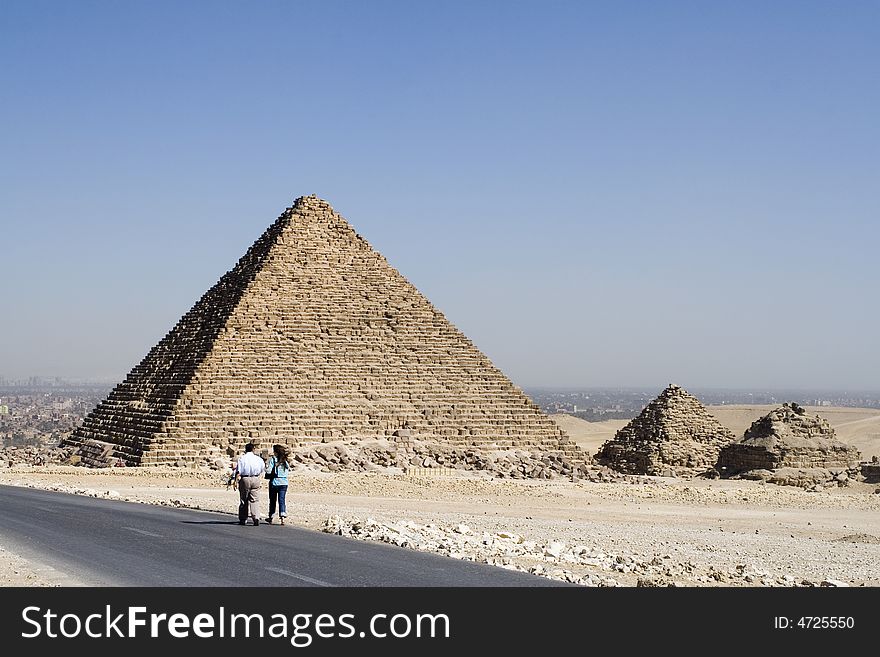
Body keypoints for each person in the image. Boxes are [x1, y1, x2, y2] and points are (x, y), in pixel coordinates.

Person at [233, 442, 265, 525]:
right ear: (253, 449)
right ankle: (256, 517)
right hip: (255, 478)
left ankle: (243, 518)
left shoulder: (242, 459)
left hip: (245, 479)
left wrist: (235, 482)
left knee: (244, 499)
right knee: (255, 499)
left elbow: (238, 471)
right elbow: (262, 469)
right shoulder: (258, 459)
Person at [265, 444, 291, 525]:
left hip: (275, 482)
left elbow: (268, 471)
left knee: (272, 500)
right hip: (284, 483)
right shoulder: (285, 460)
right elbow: (288, 470)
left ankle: (271, 516)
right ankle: (282, 516)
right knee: (282, 500)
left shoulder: (273, 459)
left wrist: (265, 467)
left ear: (275, 452)